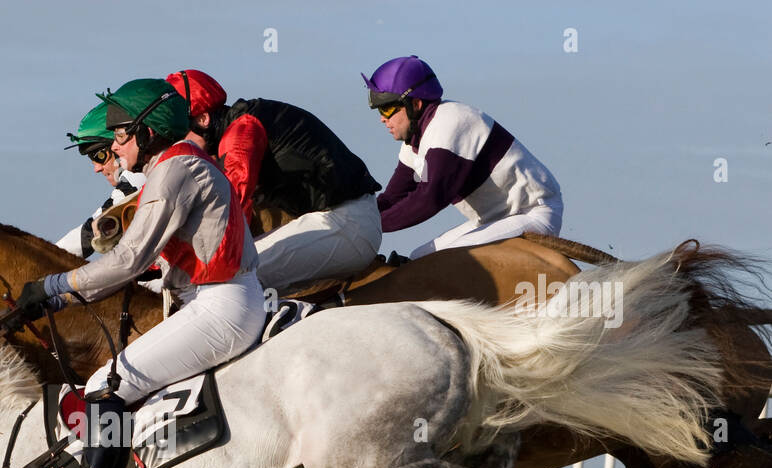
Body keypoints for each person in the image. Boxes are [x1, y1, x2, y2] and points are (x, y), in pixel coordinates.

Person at [16, 77, 263, 468]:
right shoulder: (175, 168)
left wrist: (53, 288)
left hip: (223, 306)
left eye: (121, 134)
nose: (114, 145)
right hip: (219, 299)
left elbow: (127, 260)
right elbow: (148, 264)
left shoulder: (175, 171)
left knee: (102, 385)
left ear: (148, 132)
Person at [167, 68, 383, 293]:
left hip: (345, 223)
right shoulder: (237, 125)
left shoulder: (241, 131)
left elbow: (231, 208)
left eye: (178, 135)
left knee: (227, 279)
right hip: (335, 220)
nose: (177, 146)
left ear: (203, 119)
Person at [363, 55, 563, 259]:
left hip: (532, 214)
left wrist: (369, 228)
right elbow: (393, 197)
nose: (382, 118)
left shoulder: (450, 123)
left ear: (416, 104)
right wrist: (354, 221)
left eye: (387, 108)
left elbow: (429, 199)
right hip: (493, 221)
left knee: (443, 261)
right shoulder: (415, 142)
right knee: (418, 257)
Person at [56, 102, 148, 259]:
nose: (96, 169)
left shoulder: (139, 178)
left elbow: (90, 232)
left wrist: (41, 256)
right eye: (92, 160)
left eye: (99, 156)